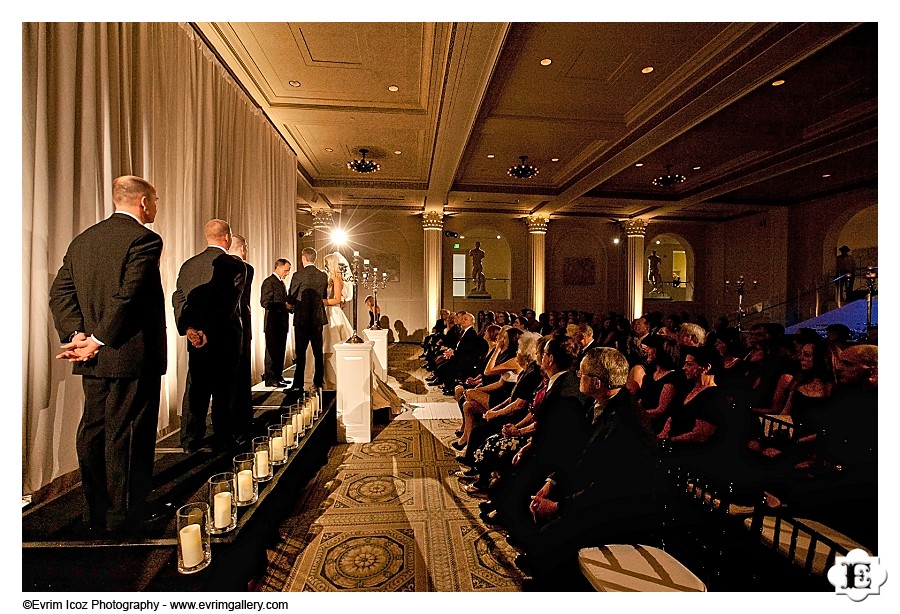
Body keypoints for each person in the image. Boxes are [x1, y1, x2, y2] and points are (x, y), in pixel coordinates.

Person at [49, 175, 166, 535]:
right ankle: (125, 514)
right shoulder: (145, 240)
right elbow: (128, 297)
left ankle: (94, 510)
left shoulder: (83, 241)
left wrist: (76, 335)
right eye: (155, 200)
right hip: (129, 354)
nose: (156, 207)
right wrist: (97, 338)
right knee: (129, 433)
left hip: (92, 358)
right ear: (143, 202)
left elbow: (60, 293)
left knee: (94, 430)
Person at [172, 219, 246, 452]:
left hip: (195, 338)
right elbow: (228, 304)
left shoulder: (188, 265)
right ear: (227, 238)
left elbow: (179, 299)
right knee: (224, 389)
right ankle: (223, 437)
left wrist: (189, 328)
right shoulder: (235, 265)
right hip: (224, 336)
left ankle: (189, 439)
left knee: (196, 386)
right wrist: (208, 330)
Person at [286, 247, 328, 392]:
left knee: (301, 353)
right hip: (317, 318)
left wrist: (291, 304)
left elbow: (291, 294)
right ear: (314, 258)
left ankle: (298, 384)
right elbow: (323, 295)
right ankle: (318, 382)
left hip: (302, 319)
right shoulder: (323, 276)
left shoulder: (298, 275)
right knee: (318, 352)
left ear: (303, 258)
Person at [228, 234, 254, 439]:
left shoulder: (211, 265)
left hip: (212, 328)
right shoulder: (246, 268)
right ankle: (242, 419)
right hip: (239, 324)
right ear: (243, 248)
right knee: (241, 373)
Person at [322, 252, 355, 389]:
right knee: (326, 347)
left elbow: (336, 299)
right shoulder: (330, 278)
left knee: (332, 346)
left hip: (333, 313)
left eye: (326, 263)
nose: (324, 266)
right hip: (328, 311)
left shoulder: (336, 278)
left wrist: (320, 301)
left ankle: (334, 381)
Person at [260, 258, 292, 387]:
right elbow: (265, 302)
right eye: (286, 270)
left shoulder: (280, 283)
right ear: (278, 268)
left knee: (280, 350)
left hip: (282, 323)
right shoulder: (269, 282)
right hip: (272, 323)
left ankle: (278, 376)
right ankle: (270, 378)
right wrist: (284, 306)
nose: (287, 273)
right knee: (272, 351)